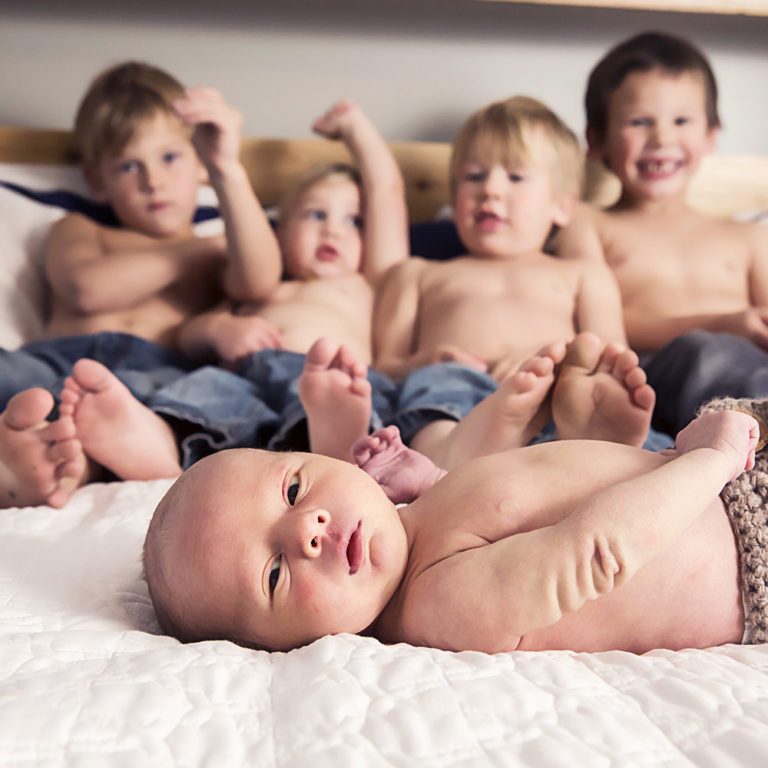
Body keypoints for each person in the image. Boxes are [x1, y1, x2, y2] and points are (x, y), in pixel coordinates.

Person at [139, 333, 768, 654]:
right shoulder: (437, 608)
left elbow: (505, 521)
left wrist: (434, 485)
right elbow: (594, 552)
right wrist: (710, 461)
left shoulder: (420, 547)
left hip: (713, 480)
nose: (308, 528)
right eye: (274, 574)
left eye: (295, 487)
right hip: (748, 543)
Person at [0, 62, 282, 505]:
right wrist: (197, 249)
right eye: (129, 166)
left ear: (199, 164)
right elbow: (87, 289)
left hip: (152, 376)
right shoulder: (81, 230)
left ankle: (79, 459)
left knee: (214, 394)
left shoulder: (221, 249)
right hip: (53, 363)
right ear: (97, 181)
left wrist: (227, 166)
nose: (154, 181)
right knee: (11, 373)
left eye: (170, 157)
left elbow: (260, 282)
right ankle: (42, 452)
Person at [371, 95, 644, 467]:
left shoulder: (582, 274)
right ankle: (446, 454)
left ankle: (591, 446)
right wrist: (425, 360)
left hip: (553, 401)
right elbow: (383, 366)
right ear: (455, 198)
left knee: (590, 393)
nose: (491, 189)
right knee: (434, 388)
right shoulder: (418, 273)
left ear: (562, 206)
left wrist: (556, 362)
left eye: (515, 176)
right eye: (474, 176)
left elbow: (612, 360)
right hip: (457, 401)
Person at [153, 98, 409, 452]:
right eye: (316, 215)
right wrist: (218, 329)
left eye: (354, 221)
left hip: (328, 382)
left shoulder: (370, 283)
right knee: (196, 394)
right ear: (281, 235)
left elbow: (386, 192)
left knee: (340, 402)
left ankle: (333, 445)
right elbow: (187, 335)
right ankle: (158, 446)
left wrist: (355, 127)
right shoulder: (263, 288)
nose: (332, 231)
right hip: (242, 382)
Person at [557, 31, 768, 436]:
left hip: (749, 375)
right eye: (639, 122)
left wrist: (743, 329)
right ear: (596, 139)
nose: (662, 138)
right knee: (705, 350)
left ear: (711, 134)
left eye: (682, 120)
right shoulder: (588, 223)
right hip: (644, 380)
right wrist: (720, 323)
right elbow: (595, 327)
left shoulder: (749, 236)